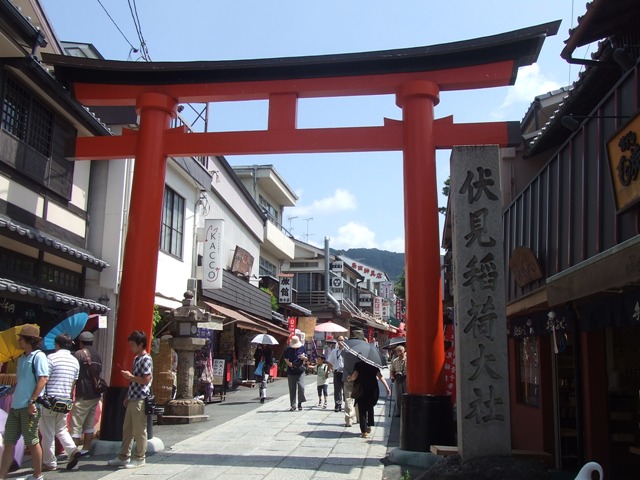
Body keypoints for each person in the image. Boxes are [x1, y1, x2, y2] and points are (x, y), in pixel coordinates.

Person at [0, 324, 48, 480]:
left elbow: (43, 378)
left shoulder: (38, 356)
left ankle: (37, 475)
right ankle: (2, 475)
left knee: (32, 441)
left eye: (21, 338)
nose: (19, 341)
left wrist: (32, 400)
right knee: (9, 442)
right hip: (15, 406)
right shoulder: (21, 359)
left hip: (28, 406)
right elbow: (23, 381)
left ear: (28, 340)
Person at [107, 330, 153, 469]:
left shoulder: (146, 359)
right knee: (127, 430)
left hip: (140, 398)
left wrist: (130, 376)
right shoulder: (136, 359)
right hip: (133, 397)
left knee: (139, 431)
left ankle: (140, 457)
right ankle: (123, 456)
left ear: (140, 345)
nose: (131, 347)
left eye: (133, 345)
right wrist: (128, 395)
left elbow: (146, 379)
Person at [39, 333, 81, 472]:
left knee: (48, 432)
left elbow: (45, 378)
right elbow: (73, 383)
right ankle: (72, 450)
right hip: (65, 400)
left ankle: (49, 462)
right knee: (61, 428)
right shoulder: (75, 361)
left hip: (51, 400)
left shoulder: (50, 358)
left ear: (57, 345)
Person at [70, 331, 103, 455]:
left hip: (83, 393)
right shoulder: (97, 355)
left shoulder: (79, 354)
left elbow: (74, 374)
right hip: (95, 394)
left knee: (76, 424)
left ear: (81, 342)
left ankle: (73, 452)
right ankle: (86, 449)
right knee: (89, 424)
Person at [348, 361, 390, 439]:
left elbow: (354, 376)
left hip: (361, 390)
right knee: (370, 408)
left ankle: (364, 431)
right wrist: (387, 387)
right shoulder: (373, 364)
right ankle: (369, 425)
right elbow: (380, 376)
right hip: (372, 389)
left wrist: (349, 378)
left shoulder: (358, 364)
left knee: (362, 410)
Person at [281, 335, 307, 411]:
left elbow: (307, 358)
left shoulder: (302, 348)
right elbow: (285, 358)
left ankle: (300, 403)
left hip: (300, 370)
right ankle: (293, 405)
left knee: (301, 387)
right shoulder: (288, 349)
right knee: (292, 388)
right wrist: (288, 363)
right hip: (291, 370)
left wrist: (304, 358)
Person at [327, 336, 346, 412]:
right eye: (339, 340)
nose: (340, 341)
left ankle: (347, 403)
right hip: (337, 372)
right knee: (337, 389)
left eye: (342, 340)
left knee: (346, 389)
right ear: (337, 341)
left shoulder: (347, 351)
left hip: (345, 372)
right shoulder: (334, 351)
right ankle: (338, 405)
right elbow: (330, 362)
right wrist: (327, 372)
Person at [389, 345, 407, 417]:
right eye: (397, 351)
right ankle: (399, 411)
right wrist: (392, 377)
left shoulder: (408, 360)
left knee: (406, 395)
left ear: (404, 351)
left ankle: (406, 411)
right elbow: (391, 370)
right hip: (398, 379)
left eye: (400, 351)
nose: (399, 353)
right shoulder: (395, 361)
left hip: (406, 379)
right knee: (398, 397)